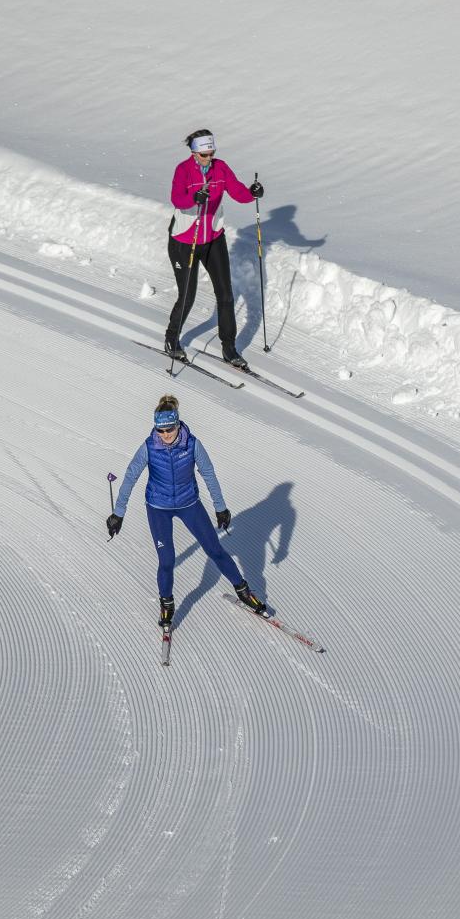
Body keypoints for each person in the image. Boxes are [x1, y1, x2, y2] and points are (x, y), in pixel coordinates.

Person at [107, 393, 268, 628]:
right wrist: (118, 513)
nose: (165, 435)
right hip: (158, 507)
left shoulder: (192, 444)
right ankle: (167, 604)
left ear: (177, 423)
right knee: (166, 561)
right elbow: (131, 476)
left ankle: (243, 591)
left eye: (169, 429)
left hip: (189, 504)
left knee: (215, 550)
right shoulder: (149, 446)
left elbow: (209, 474)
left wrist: (220, 508)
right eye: (160, 431)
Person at [165, 129, 264, 369]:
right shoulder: (183, 170)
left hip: (212, 239)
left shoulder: (221, 168)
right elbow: (177, 198)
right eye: (204, 155)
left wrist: (252, 194)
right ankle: (171, 338)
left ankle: (229, 347)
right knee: (188, 295)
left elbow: (237, 191)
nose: (209, 158)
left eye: (211, 153)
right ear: (194, 153)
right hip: (184, 241)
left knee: (226, 294)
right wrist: (194, 198)